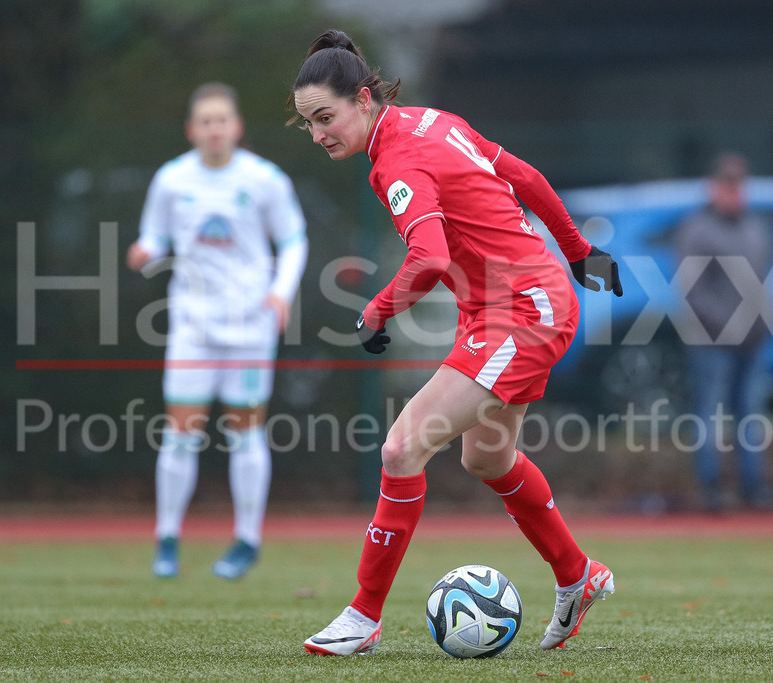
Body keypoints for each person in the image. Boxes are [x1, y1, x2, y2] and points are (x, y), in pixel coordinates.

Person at [288, 30, 623, 656]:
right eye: (308, 123)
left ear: (363, 99)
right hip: (519, 305)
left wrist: (377, 311)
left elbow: (430, 258)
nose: (317, 134)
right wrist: (578, 251)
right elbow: (522, 175)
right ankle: (578, 574)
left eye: (325, 118)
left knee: (400, 448)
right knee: (487, 460)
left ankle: (363, 616)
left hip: (520, 313)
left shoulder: (397, 161)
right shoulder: (432, 121)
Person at [127, 82, 308, 579]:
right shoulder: (171, 179)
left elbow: (294, 240)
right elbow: (155, 234)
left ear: (237, 126)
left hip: (250, 325)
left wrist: (281, 293)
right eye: (206, 121)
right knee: (180, 432)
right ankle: (167, 540)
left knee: (246, 433)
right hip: (193, 325)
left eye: (222, 120)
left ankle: (247, 540)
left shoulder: (264, 179)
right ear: (192, 129)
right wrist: (146, 251)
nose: (214, 129)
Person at [674, 153, 773, 511]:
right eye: (728, 185)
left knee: (751, 413)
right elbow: (693, 291)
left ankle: (753, 487)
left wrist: (763, 322)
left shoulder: (755, 227)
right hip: (711, 341)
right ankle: (711, 489)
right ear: (713, 187)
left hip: (753, 341)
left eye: (740, 185)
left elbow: (762, 282)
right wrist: (728, 326)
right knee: (710, 413)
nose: (735, 193)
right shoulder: (697, 230)